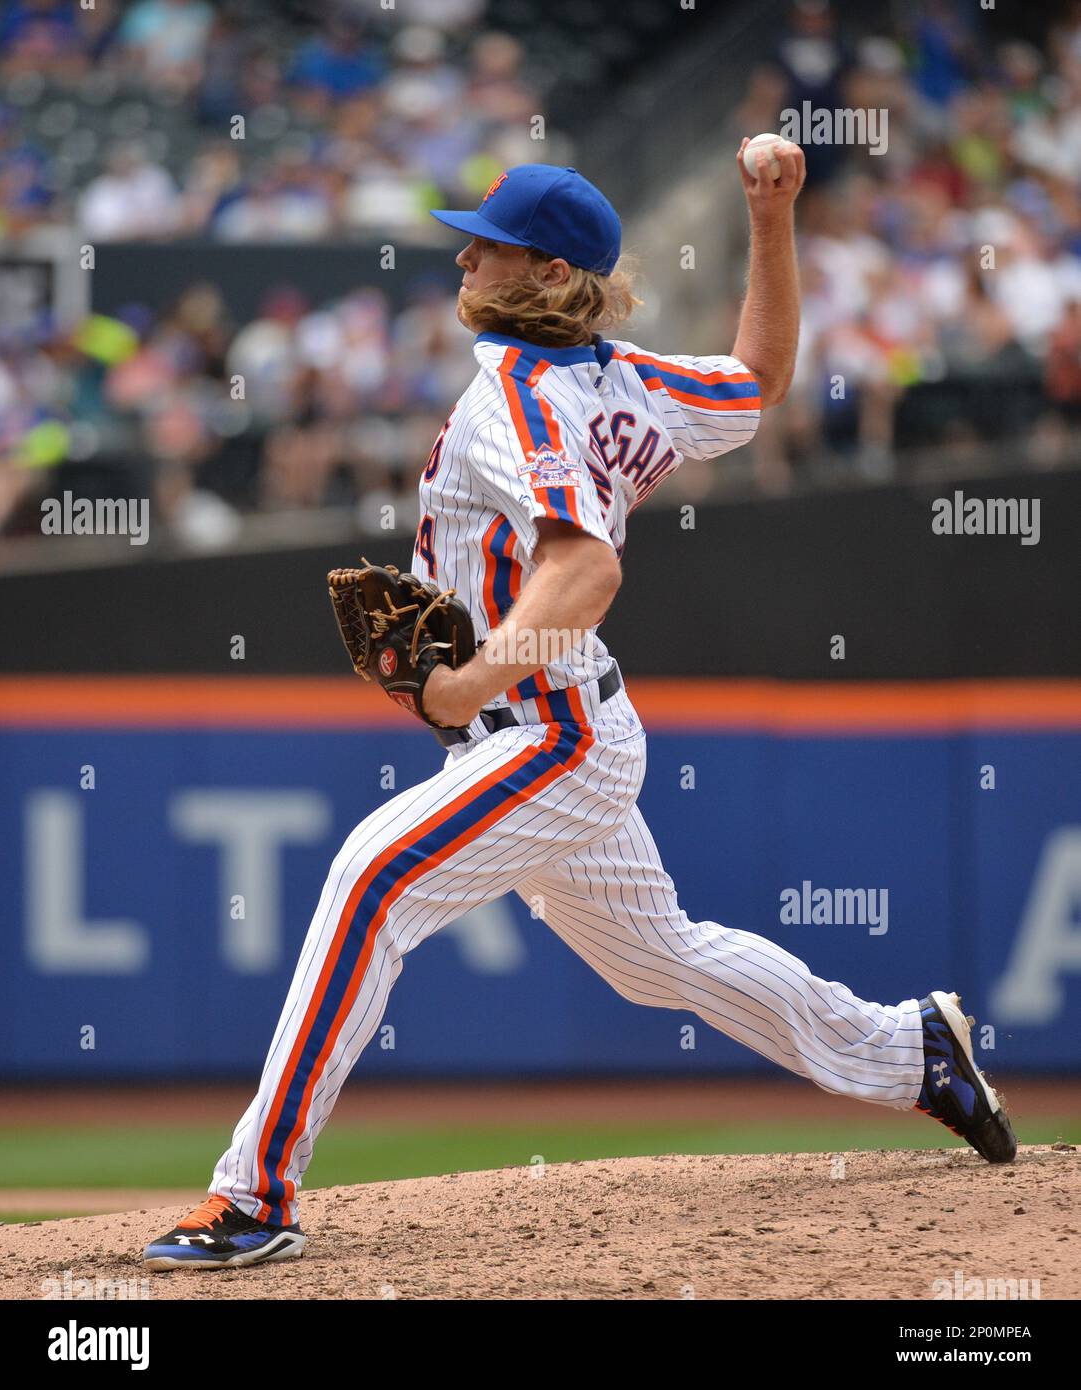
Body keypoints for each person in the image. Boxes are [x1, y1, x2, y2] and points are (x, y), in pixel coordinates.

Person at [143, 150, 1017, 1271]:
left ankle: (254, 1194)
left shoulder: (516, 392)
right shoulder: (625, 377)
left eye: (489, 242)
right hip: (577, 730)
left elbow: (585, 574)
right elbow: (760, 374)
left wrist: (465, 683)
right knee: (662, 957)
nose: (465, 253)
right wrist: (769, 214)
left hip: (548, 734)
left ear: (549, 273)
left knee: (368, 882)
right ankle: (912, 1052)